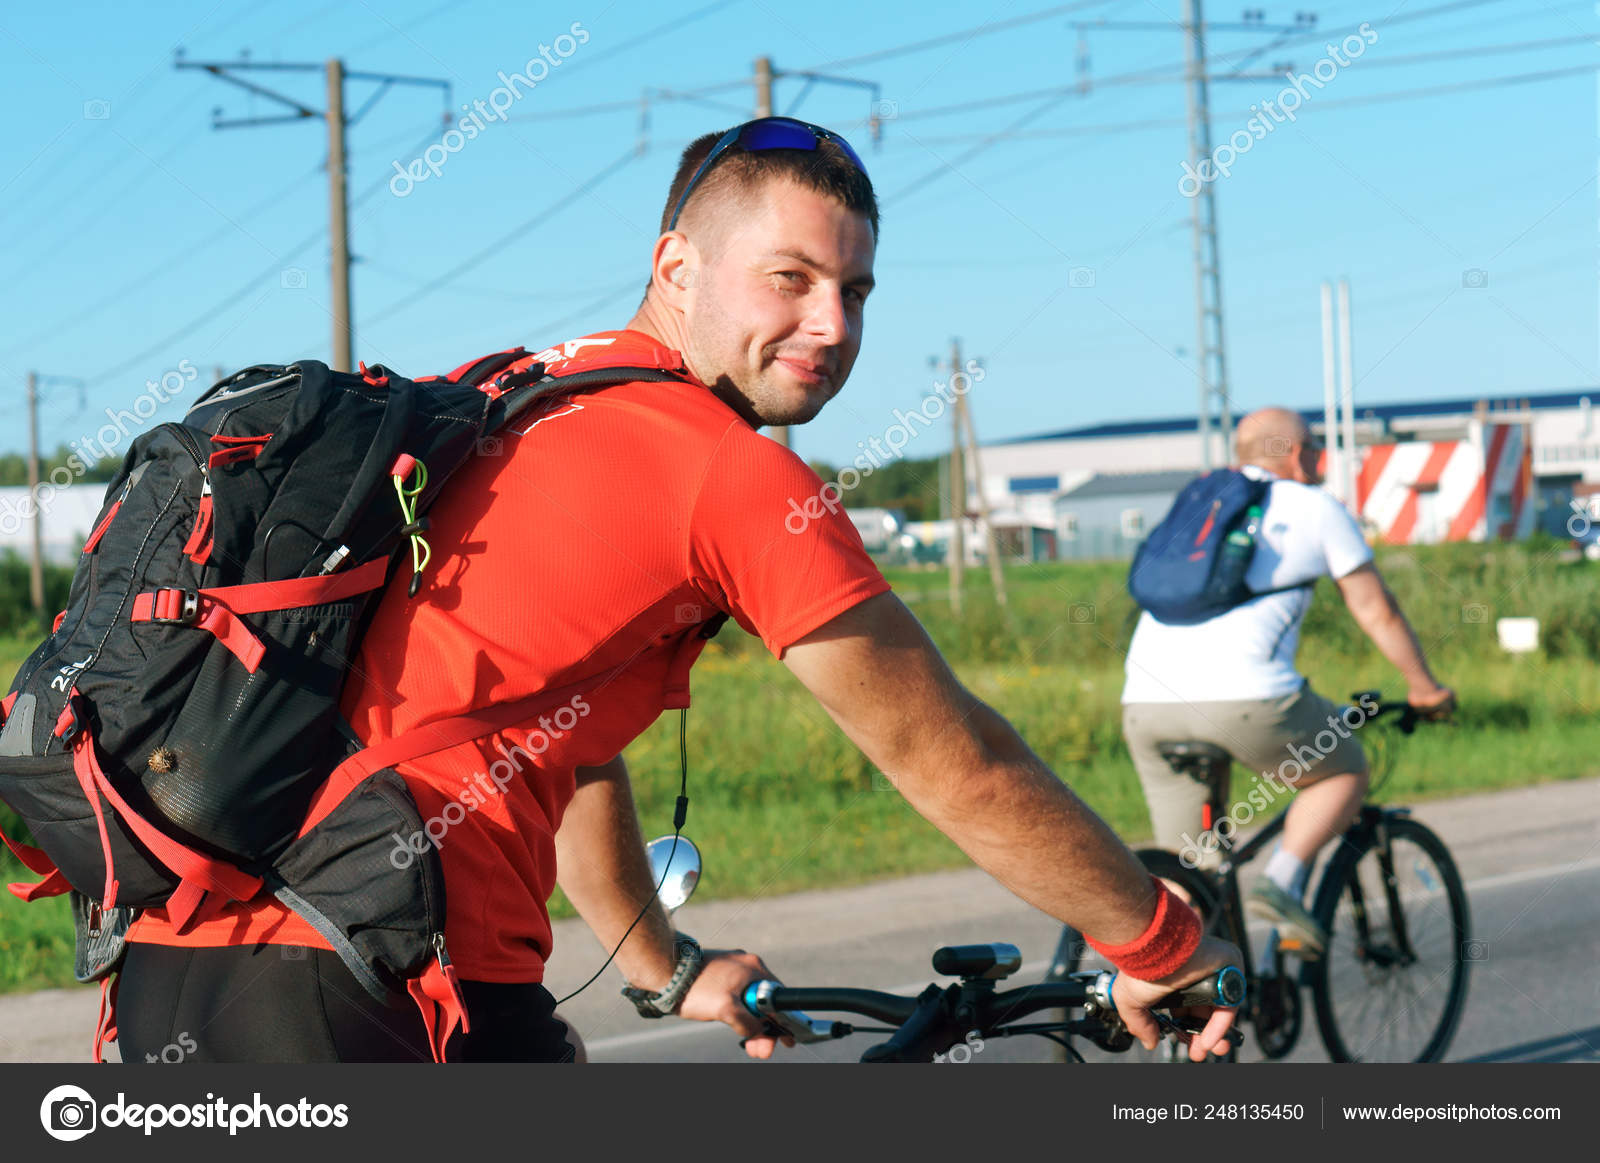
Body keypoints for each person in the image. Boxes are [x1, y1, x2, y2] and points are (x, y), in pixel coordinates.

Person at [114, 116, 1240, 1063]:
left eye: (855, 289)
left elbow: (555, 728)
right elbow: (955, 762)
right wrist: (1161, 943)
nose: (832, 325)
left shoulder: (505, 393)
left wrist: (665, 965)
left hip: (173, 965)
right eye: (790, 279)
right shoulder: (727, 471)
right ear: (677, 267)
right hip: (387, 980)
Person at [1122, 407, 1456, 956]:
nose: (1321, 459)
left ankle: (1178, 1006)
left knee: (1191, 874)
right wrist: (1425, 688)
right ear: (1298, 454)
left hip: (1145, 705)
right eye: (1317, 448)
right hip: (1248, 702)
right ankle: (1282, 883)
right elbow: (1378, 611)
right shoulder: (1315, 507)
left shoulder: (1198, 504)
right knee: (1344, 768)